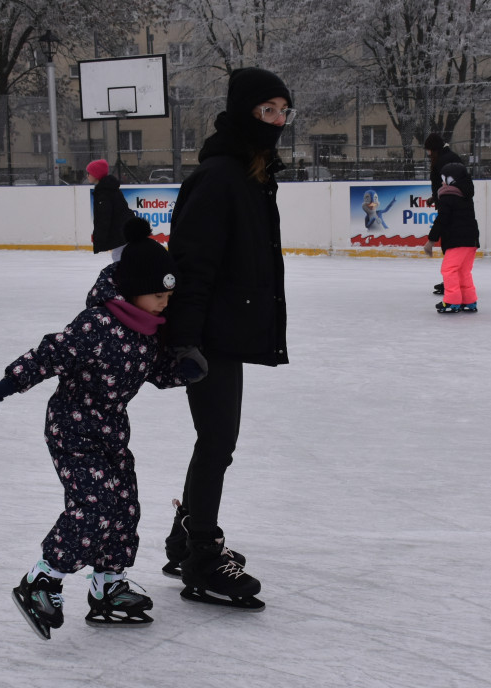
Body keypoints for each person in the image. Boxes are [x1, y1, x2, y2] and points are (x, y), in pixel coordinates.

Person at [0, 217, 188, 638]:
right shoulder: (95, 326)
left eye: (169, 294)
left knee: (125, 506)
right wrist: (10, 381)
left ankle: (107, 587)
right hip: (72, 429)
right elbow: (49, 353)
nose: (165, 302)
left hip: (111, 430)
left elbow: (154, 373)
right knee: (94, 507)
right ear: (132, 290)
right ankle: (42, 579)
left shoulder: (149, 329)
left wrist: (185, 371)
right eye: (157, 294)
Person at [162, 67, 294, 610]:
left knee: (218, 444)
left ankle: (182, 539)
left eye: (285, 111)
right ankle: (202, 556)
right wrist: (184, 343)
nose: (278, 121)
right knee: (216, 444)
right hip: (207, 338)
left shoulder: (250, 175)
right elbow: (190, 266)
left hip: (224, 332)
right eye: (268, 111)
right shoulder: (220, 178)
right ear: (244, 113)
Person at [424, 163, 480, 313]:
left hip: (457, 241)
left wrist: (431, 241)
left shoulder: (448, 196)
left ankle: (452, 301)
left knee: (449, 269)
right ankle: (469, 300)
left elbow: (442, 220)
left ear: (451, 180)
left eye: (444, 179)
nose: (442, 182)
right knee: (463, 271)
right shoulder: (465, 194)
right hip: (471, 241)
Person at [424, 133, 462, 294]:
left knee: (450, 245)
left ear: (434, 149)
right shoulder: (449, 157)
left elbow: (450, 184)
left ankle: (453, 282)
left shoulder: (443, 161)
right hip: (453, 203)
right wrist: (435, 197)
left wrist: (441, 198)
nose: (428, 154)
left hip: (450, 206)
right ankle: (453, 280)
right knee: (451, 245)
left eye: (428, 150)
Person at [87, 159, 135, 262]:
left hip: (121, 233)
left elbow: (103, 218)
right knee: (119, 257)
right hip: (123, 231)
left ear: (96, 174)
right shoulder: (109, 189)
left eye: (89, 173)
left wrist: (99, 238)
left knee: (119, 258)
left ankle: (125, 277)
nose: (87, 175)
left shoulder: (104, 193)